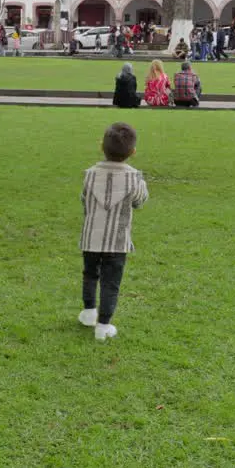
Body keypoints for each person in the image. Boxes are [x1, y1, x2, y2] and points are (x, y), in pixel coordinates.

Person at [77, 122, 149, 342]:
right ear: (132, 152)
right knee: (111, 282)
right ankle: (103, 325)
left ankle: (89, 312)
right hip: (117, 240)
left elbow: (83, 199)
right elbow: (140, 201)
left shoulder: (90, 175)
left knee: (90, 274)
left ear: (102, 146)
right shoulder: (134, 178)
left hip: (91, 237)